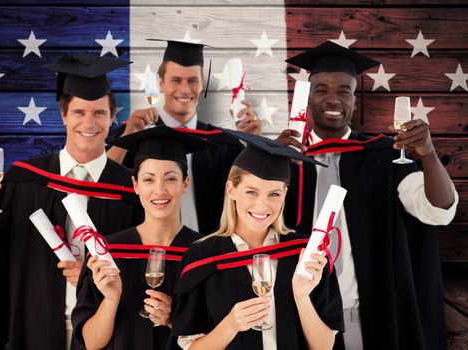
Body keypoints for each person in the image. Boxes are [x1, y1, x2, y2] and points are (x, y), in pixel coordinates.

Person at [0, 53, 143, 350]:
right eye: (79, 112)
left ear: (111, 118)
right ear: (64, 116)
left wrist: (91, 280)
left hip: (108, 334)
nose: (89, 123)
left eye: (99, 113)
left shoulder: (132, 189)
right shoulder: (24, 180)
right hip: (34, 329)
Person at [280, 41, 458, 350]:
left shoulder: (383, 157)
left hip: (367, 313)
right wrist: (269, 161)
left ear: (354, 101)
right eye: (321, 90)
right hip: (299, 314)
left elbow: (438, 211)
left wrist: (428, 154)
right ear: (308, 99)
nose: (332, 99)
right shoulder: (286, 159)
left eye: (344, 91)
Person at [170, 130, 344, 350]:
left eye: (274, 194)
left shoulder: (305, 254)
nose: (262, 206)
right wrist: (231, 325)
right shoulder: (201, 256)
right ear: (231, 190)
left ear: (285, 194)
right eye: (252, 192)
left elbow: (325, 346)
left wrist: (301, 296)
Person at [71, 125, 211, 350]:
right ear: (135, 185)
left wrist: (174, 319)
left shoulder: (206, 253)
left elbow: (218, 336)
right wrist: (111, 299)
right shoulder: (108, 252)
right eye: (148, 179)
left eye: (171, 179)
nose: (160, 190)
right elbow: (90, 343)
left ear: (185, 183)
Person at [107, 39, 263, 235]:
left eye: (192, 81)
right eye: (176, 80)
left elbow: (249, 198)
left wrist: (255, 146)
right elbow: (103, 184)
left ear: (202, 85)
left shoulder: (224, 144)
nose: (185, 89)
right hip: (148, 253)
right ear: (161, 83)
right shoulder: (134, 136)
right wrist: (128, 137)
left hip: (210, 253)